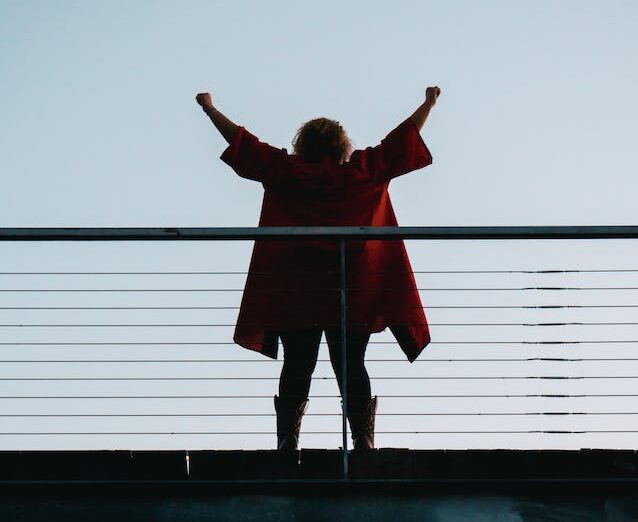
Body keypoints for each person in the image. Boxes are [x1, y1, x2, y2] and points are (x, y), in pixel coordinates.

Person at [196, 86, 440, 451]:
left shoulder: (286, 172)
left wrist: (211, 110)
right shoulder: (362, 172)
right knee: (351, 363)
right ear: (341, 145)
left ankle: (287, 441)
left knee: (297, 362)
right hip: (354, 289)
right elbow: (401, 141)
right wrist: (428, 105)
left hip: (297, 291)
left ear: (303, 144)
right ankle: (363, 442)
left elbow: (245, 145)